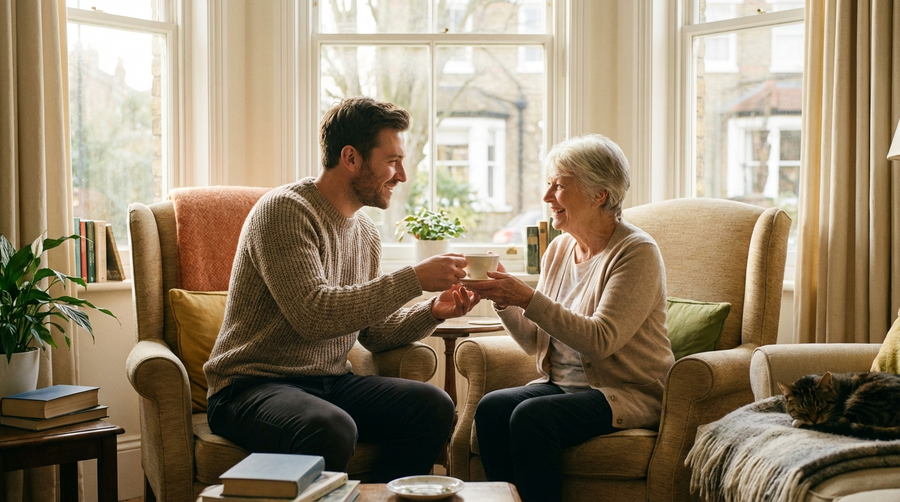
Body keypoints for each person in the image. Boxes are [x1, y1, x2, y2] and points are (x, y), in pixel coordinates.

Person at [204, 96, 480, 482]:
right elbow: (312, 315)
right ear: (350, 158)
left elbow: (374, 333)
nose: (401, 176)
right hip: (250, 387)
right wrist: (413, 279)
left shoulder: (365, 233)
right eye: (392, 161)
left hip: (330, 382)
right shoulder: (285, 211)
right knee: (330, 428)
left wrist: (433, 310)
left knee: (433, 406)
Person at [463, 134, 674, 502]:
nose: (547, 198)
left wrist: (526, 296)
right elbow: (534, 341)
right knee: (492, 408)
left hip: (625, 393)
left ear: (599, 195)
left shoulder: (636, 252)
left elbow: (600, 339)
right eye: (549, 185)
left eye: (559, 186)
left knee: (533, 417)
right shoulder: (559, 249)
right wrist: (502, 301)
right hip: (561, 386)